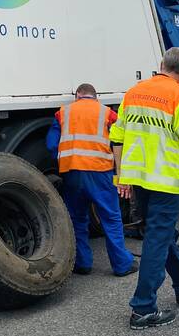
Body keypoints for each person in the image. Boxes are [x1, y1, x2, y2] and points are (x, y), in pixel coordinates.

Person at [111, 47, 179, 330]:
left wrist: (121, 176)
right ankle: (143, 308)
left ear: (161, 65)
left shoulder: (134, 92)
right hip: (165, 180)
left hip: (139, 178)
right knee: (157, 239)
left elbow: (117, 136)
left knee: (161, 234)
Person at [46, 83, 136, 277]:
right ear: (96, 97)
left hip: (72, 172)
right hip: (100, 172)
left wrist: (64, 162)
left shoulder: (63, 112)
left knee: (77, 218)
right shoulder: (108, 113)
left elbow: (52, 144)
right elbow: (120, 141)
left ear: (77, 95)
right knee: (111, 218)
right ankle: (121, 265)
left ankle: (83, 263)